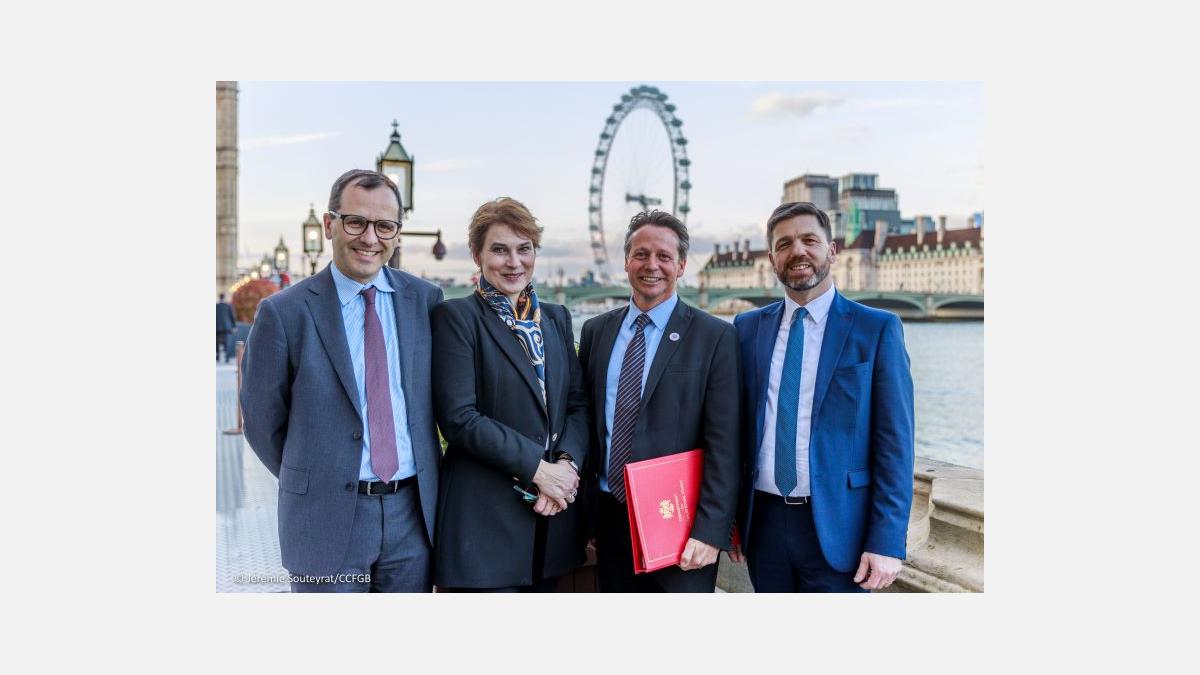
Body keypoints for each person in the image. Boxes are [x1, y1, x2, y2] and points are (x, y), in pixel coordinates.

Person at [240, 169, 443, 592]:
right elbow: (261, 420)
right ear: (331, 224)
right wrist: (319, 475)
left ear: (397, 234)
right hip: (324, 518)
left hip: (413, 517)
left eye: (384, 225)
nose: (370, 237)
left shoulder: (425, 301)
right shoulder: (284, 313)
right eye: (356, 222)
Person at [730, 202, 915, 592]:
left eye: (809, 240)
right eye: (785, 244)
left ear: (832, 250)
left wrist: (886, 541)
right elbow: (734, 430)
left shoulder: (877, 329)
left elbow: (896, 444)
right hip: (762, 525)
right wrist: (729, 517)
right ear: (772, 259)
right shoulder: (746, 330)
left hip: (840, 528)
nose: (797, 251)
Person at [577, 210, 741, 592]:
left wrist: (711, 530)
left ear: (681, 265)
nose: (652, 265)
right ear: (626, 261)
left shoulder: (714, 336)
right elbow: (587, 423)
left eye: (664, 257)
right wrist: (586, 518)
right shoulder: (596, 331)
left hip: (680, 525)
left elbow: (725, 443)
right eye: (641, 254)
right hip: (609, 518)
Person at [431, 197, 587, 591]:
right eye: (499, 250)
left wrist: (567, 467)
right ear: (477, 255)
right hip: (483, 527)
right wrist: (540, 471)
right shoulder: (458, 318)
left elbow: (576, 404)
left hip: (550, 523)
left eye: (524, 249)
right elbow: (459, 418)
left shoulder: (555, 318)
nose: (514, 262)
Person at [216, 293, 236, 362]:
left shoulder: (216, 306)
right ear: (224, 298)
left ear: (219, 297)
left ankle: (217, 356)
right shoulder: (228, 306)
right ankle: (227, 357)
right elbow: (232, 316)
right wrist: (234, 326)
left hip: (217, 327)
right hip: (226, 327)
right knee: (227, 342)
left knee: (217, 342)